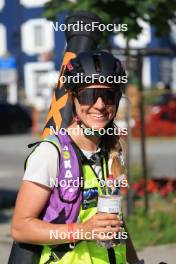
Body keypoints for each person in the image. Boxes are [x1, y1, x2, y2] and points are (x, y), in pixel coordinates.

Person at [11, 51, 142, 264]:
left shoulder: (111, 151)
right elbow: (21, 228)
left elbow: (114, 222)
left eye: (108, 96)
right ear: (73, 99)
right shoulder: (50, 153)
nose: (99, 105)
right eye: (89, 95)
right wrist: (83, 231)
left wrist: (135, 262)